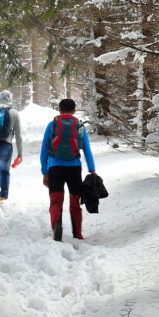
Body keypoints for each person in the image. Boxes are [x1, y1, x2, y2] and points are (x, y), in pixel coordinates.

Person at [40, 98, 96, 241]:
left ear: (59, 110)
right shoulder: (80, 126)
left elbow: (44, 150)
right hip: (74, 168)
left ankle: (57, 228)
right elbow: (87, 150)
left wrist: (44, 172)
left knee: (56, 201)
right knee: (75, 201)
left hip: (54, 168)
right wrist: (92, 170)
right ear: (74, 111)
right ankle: (77, 233)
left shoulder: (52, 125)